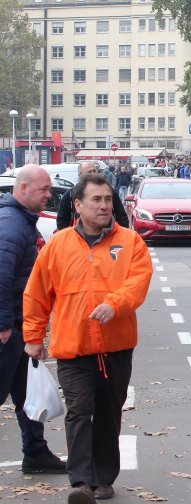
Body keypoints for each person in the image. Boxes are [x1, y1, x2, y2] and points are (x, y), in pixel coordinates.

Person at [23, 173, 153, 503]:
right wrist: (33, 336)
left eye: (108, 200)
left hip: (116, 347)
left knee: (109, 414)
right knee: (80, 412)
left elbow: (138, 282)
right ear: (78, 206)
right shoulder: (59, 243)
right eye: (96, 200)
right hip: (73, 345)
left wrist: (115, 304)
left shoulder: (130, 241)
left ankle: (104, 478)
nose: (104, 206)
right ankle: (81, 481)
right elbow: (37, 293)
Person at [0, 165, 67, 476]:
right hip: (8, 327)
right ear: (23, 189)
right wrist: (3, 326)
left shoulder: (19, 221)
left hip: (18, 325)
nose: (49, 195)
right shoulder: (12, 225)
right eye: (43, 190)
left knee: (28, 395)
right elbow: (1, 277)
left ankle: (36, 453)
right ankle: (36, 452)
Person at [57, 161, 129, 230]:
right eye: (89, 172)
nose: (93, 174)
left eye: (94, 171)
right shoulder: (70, 195)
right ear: (80, 175)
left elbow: (122, 217)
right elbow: (62, 221)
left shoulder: (109, 192)